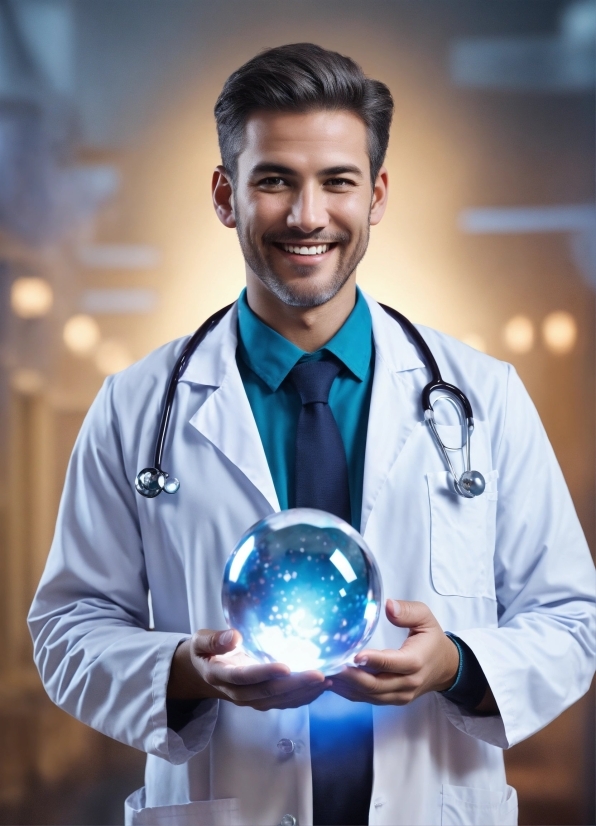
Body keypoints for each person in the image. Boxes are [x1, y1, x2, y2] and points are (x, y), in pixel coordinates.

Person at [29, 43, 595, 826]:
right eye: (273, 181)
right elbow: (65, 630)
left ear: (378, 195)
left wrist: (456, 665)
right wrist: (186, 670)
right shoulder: (135, 409)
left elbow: (572, 620)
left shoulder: (483, 399)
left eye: (338, 182)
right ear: (226, 196)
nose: (307, 216)